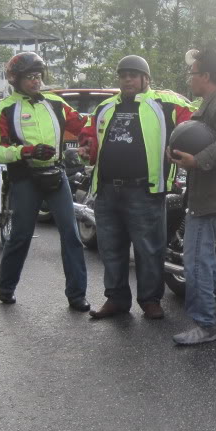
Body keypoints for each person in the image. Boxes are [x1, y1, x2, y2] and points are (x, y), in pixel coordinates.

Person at [83, 54, 193, 321]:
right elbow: (88, 131)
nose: (127, 79)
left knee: (149, 249)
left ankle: (150, 301)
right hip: (107, 190)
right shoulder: (105, 107)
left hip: (145, 190)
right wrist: (87, 143)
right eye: (123, 75)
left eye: (133, 75)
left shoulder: (167, 103)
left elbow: (195, 122)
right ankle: (116, 299)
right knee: (111, 249)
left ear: (146, 78)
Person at [0, 52, 90, 310]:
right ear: (15, 80)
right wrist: (26, 151)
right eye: (29, 77)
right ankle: (6, 286)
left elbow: (84, 125)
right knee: (21, 235)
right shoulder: (3, 109)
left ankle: (77, 295)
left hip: (56, 174)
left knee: (71, 234)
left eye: (38, 76)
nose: (35, 82)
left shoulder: (56, 103)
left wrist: (92, 137)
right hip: (25, 177)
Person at [169, 48, 216, 346]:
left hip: (214, 193)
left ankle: (205, 324)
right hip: (206, 192)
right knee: (201, 255)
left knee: (195, 260)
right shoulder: (210, 102)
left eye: (193, 73)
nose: (189, 78)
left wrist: (197, 160)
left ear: (205, 76)